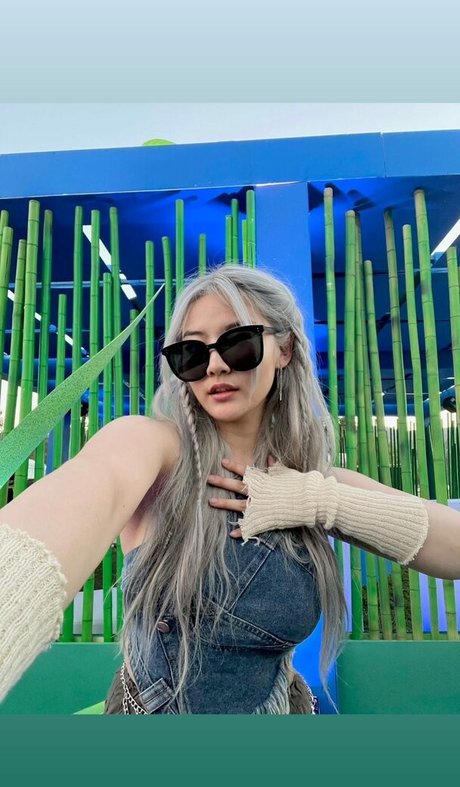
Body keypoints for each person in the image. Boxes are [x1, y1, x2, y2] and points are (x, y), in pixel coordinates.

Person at [1, 263, 460, 712]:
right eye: (192, 352)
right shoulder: (153, 449)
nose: (215, 365)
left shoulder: (313, 482)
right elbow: (79, 497)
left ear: (284, 349)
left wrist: (321, 501)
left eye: (238, 343)